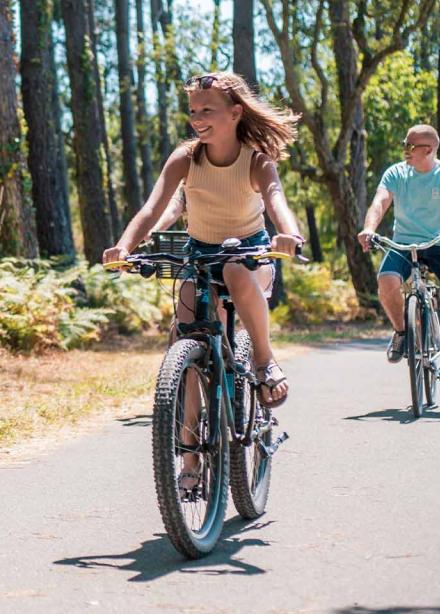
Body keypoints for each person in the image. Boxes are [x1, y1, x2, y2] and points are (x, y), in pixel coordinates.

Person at [103, 71, 304, 408]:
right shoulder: (186, 157)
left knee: (235, 272)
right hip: (199, 255)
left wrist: (288, 234)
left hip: (250, 254)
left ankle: (264, 358)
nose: (197, 119)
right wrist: (124, 246)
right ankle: (190, 451)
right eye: (193, 112)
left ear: (236, 113)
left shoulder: (256, 161)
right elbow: (152, 208)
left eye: (207, 111)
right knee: (186, 328)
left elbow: (275, 200)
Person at [358, 124, 440, 381]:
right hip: (404, 244)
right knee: (386, 281)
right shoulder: (396, 173)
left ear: (429, 149)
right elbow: (380, 201)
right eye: (404, 144)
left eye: (411, 146)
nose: (405, 151)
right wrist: (369, 228)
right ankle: (401, 333)